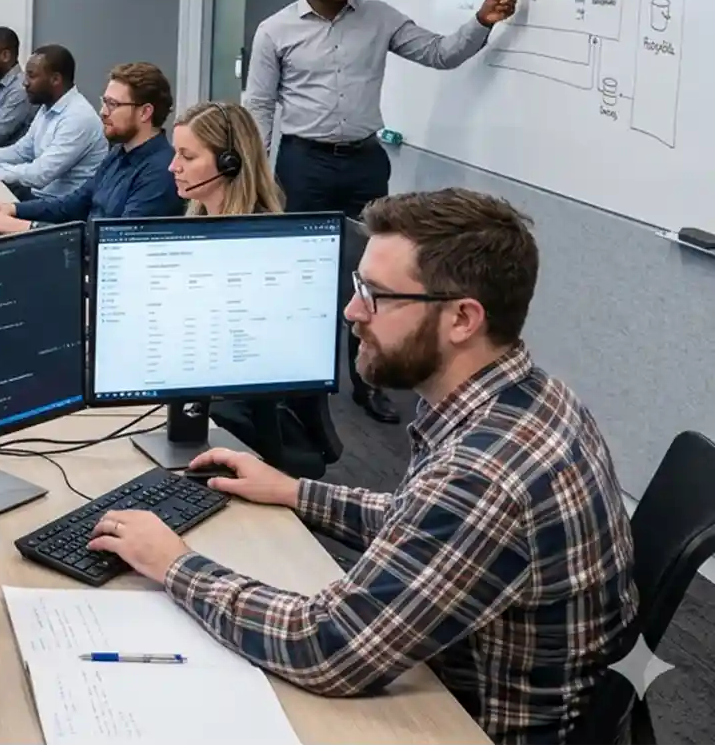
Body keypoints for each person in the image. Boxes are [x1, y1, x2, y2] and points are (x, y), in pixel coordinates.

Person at [85, 188, 634, 747]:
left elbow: (326, 648)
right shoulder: (530, 395)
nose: (351, 311)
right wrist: (296, 492)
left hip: (471, 725)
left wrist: (173, 564)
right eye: (357, 288)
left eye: (375, 295)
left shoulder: (484, 474)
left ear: (463, 318)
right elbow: (423, 522)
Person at [244, 0, 520, 424]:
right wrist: (256, 174)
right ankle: (294, 382)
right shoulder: (275, 31)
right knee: (303, 275)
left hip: (363, 162)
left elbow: (440, 53)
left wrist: (481, 22)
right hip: (303, 164)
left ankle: (366, 379)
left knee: (371, 279)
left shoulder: (380, 17)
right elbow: (260, 105)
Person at [0, 61, 183, 234]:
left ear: (145, 113)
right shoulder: (119, 153)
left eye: (113, 104)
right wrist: (13, 209)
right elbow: (72, 204)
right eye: (104, 102)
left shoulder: (160, 171)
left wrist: (28, 228)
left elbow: (117, 241)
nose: (103, 112)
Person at [0, 44, 106, 201]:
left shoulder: (77, 118)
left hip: (60, 209)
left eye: (31, 76)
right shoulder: (47, 107)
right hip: (39, 197)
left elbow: (39, 175)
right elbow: (21, 151)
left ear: (55, 79)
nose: (25, 83)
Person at [167, 99, 285, 217]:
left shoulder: (261, 232)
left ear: (229, 164)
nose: (173, 167)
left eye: (188, 157)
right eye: (176, 153)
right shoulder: (193, 226)